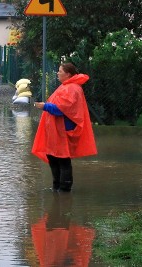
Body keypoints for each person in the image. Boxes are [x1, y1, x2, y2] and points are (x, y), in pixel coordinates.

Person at [32, 63, 97, 192]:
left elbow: (62, 109)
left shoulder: (72, 88)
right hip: (56, 129)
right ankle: (57, 188)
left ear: (67, 74)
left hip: (63, 130)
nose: (57, 73)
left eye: (60, 71)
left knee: (62, 159)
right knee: (53, 157)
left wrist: (44, 106)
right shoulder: (66, 86)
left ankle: (64, 189)